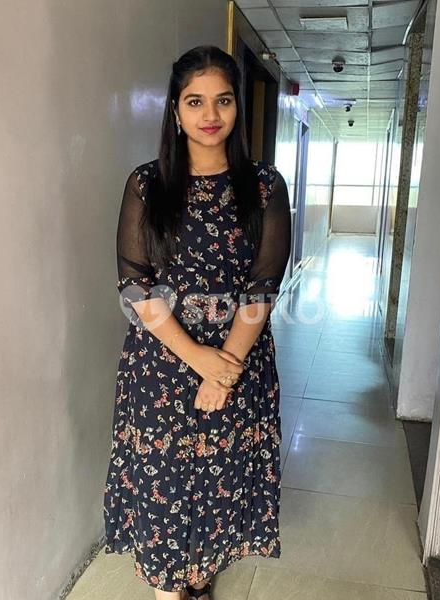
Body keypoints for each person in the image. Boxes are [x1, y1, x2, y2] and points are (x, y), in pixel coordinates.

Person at [103, 45, 291, 600]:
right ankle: (171, 588)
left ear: (237, 108)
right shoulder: (146, 184)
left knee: (219, 485)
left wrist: (223, 371)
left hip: (238, 360)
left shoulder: (264, 186)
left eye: (223, 101)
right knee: (162, 488)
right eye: (195, 101)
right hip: (161, 366)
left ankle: (199, 578)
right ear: (175, 109)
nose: (210, 114)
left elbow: (262, 286)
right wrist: (199, 359)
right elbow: (134, 284)